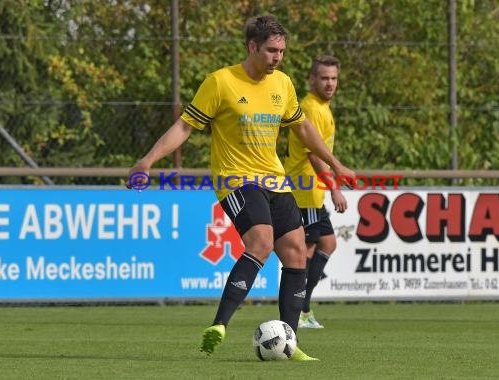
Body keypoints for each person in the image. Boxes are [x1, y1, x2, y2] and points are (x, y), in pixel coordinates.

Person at [126, 15, 355, 361]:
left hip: (274, 179)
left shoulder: (283, 84)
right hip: (235, 178)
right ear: (252, 46)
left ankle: (290, 344)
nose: (277, 57)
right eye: (271, 50)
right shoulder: (221, 82)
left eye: (281, 51)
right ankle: (218, 325)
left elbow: (303, 130)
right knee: (261, 242)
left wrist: (336, 165)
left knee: (295, 253)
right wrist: (147, 160)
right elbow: (185, 127)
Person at [284, 55, 347, 329]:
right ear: (311, 80)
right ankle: (296, 310)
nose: (330, 83)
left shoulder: (322, 107)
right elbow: (313, 155)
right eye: (324, 78)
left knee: (328, 243)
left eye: (333, 78)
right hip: (305, 189)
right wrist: (335, 188)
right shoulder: (311, 108)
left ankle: (304, 307)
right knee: (304, 250)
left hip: (313, 191)